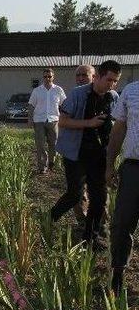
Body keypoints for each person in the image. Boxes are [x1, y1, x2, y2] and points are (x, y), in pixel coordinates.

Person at [51, 60, 121, 249]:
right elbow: (63, 122)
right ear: (97, 76)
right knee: (75, 195)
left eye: (115, 81)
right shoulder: (77, 94)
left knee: (98, 199)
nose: (112, 85)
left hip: (99, 155)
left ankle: (91, 238)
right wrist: (90, 123)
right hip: (76, 153)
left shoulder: (113, 97)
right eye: (109, 80)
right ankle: (51, 217)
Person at [107, 79, 139, 294]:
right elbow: (118, 130)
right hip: (133, 168)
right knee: (122, 223)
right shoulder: (131, 90)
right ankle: (118, 271)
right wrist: (109, 164)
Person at [28, 68, 66, 174]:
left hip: (54, 121)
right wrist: (30, 119)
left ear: (53, 77)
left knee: (54, 144)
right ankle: (42, 166)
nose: (47, 78)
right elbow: (31, 105)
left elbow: (64, 105)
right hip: (39, 120)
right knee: (40, 144)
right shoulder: (37, 91)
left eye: (49, 76)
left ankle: (51, 163)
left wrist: (65, 118)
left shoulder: (58, 90)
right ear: (43, 77)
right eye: (45, 76)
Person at [72, 65, 96, 224]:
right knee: (77, 189)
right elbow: (64, 121)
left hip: (98, 151)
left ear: (94, 77)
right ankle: (82, 220)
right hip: (77, 150)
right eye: (78, 75)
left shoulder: (106, 96)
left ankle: (99, 222)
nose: (80, 78)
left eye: (84, 75)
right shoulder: (73, 96)